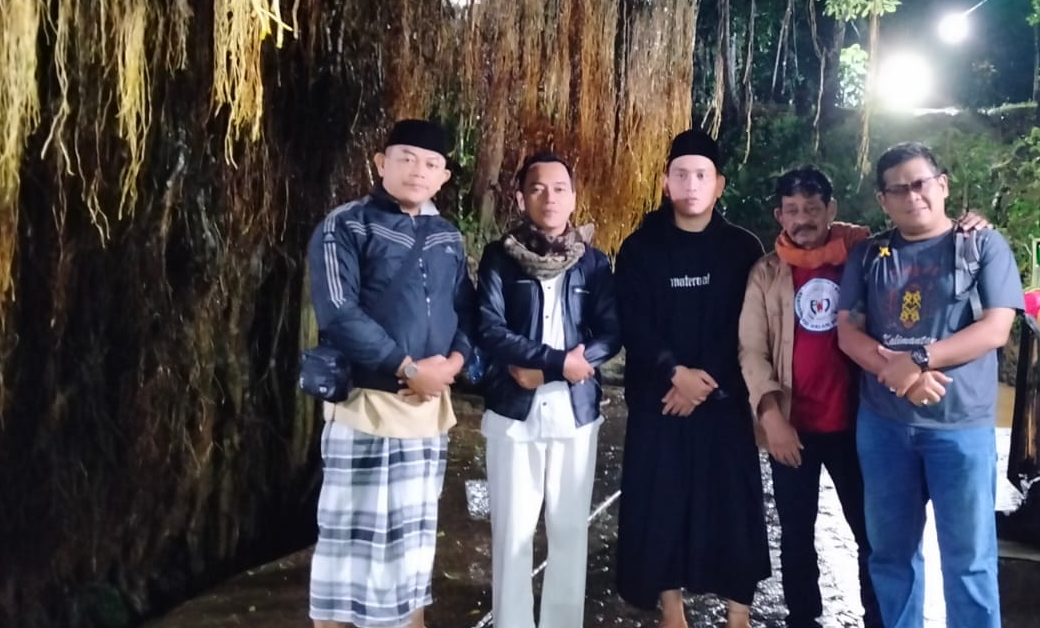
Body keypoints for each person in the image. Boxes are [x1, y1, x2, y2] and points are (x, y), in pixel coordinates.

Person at [739, 167, 991, 628]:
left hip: (860, 425)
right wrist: (771, 416)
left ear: (831, 210)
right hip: (792, 425)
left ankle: (878, 617)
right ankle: (802, 618)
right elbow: (752, 351)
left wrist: (965, 224)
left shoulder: (865, 255)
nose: (802, 219)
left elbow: (916, 231)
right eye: (792, 210)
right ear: (779, 216)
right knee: (795, 534)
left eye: (812, 208)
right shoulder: (767, 272)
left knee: (873, 535)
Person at [835, 143, 1023, 628]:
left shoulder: (983, 246)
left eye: (920, 183)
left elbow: (995, 329)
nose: (911, 195)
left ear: (942, 185)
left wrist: (918, 360)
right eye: (897, 189)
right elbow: (848, 333)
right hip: (884, 427)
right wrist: (898, 376)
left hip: (960, 427)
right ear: (883, 200)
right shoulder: (868, 255)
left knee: (970, 558)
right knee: (890, 554)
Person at [306, 119, 476, 628]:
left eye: (431, 163)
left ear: (443, 177)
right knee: (347, 547)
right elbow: (338, 312)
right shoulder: (345, 225)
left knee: (414, 542)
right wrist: (406, 367)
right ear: (381, 163)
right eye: (406, 158)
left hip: (427, 415)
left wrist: (454, 363)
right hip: (366, 409)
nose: (418, 170)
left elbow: (467, 311)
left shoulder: (447, 236)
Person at [614, 130, 770, 628]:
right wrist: (673, 373)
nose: (691, 184)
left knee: (733, 506)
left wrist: (705, 381)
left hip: (723, 404)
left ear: (719, 184)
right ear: (665, 183)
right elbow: (634, 322)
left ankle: (738, 614)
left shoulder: (743, 248)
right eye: (680, 174)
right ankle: (671, 610)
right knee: (662, 504)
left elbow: (749, 324)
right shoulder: (640, 248)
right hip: (661, 399)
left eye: (701, 175)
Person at [475, 152, 622, 628]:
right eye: (537, 188)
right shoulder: (500, 258)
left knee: (569, 534)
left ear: (574, 198)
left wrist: (550, 372)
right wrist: (559, 362)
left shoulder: (593, 263)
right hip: (513, 416)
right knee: (512, 536)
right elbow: (490, 329)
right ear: (521, 198)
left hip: (575, 415)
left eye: (560, 189)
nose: (550, 198)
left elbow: (610, 334)